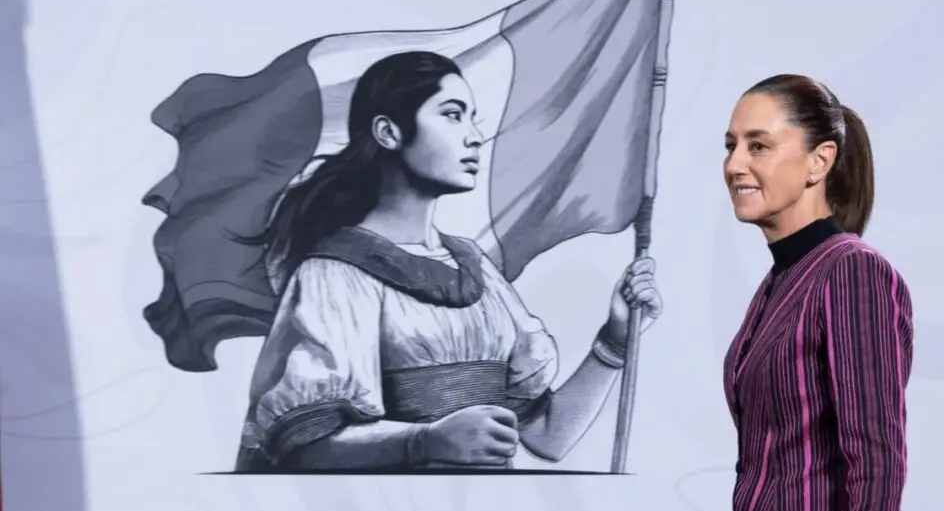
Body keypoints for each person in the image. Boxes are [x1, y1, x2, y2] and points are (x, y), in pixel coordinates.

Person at [232, 50, 661, 471]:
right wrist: (425, 441)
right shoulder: (335, 273)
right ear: (388, 132)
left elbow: (547, 437)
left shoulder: (476, 270)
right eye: (453, 115)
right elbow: (304, 448)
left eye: (472, 117)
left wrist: (616, 340)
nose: (474, 135)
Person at [694, 74, 914, 511]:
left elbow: (876, 461)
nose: (735, 164)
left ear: (821, 161)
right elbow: (770, 459)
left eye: (759, 145)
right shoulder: (779, 282)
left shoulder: (852, 274)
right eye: (730, 145)